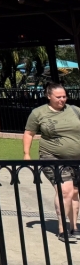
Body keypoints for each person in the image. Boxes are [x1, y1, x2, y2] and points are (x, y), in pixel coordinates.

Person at [23, 83, 80, 243]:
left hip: (76, 159)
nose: (63, 99)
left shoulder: (74, 111)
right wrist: (26, 154)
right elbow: (29, 133)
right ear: (49, 96)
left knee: (74, 193)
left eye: (64, 96)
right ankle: (62, 230)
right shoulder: (38, 113)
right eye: (59, 97)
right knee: (65, 190)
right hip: (52, 156)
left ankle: (73, 227)